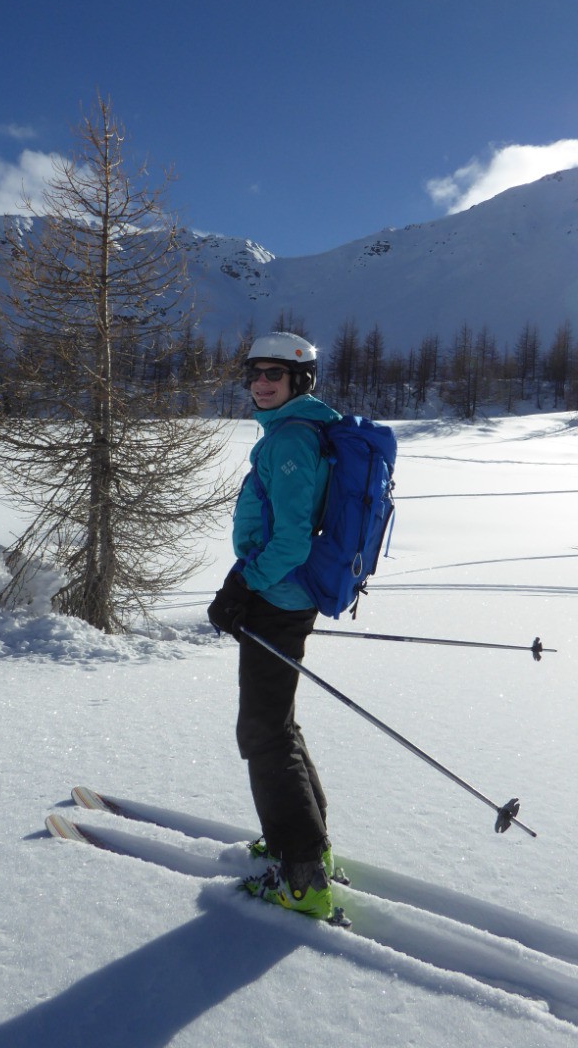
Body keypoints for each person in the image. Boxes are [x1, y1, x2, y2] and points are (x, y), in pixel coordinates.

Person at [207, 331, 341, 920]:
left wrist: (242, 586)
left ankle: (303, 876)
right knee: (276, 722)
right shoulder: (301, 429)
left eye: (275, 375)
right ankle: (304, 840)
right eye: (255, 373)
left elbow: (288, 538)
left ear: (300, 381)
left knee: (262, 731)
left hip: (277, 596)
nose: (262, 383)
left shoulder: (290, 440)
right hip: (282, 593)